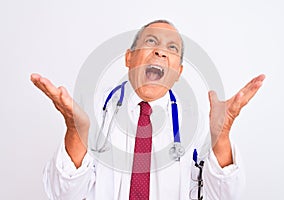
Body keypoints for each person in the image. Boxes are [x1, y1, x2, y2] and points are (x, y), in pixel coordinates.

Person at [31, 20, 265, 200]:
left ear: (178, 73)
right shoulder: (93, 112)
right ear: (129, 58)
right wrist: (75, 130)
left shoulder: (201, 122)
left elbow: (225, 195)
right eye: (151, 42)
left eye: (171, 47)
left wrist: (221, 135)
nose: (160, 52)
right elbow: (62, 194)